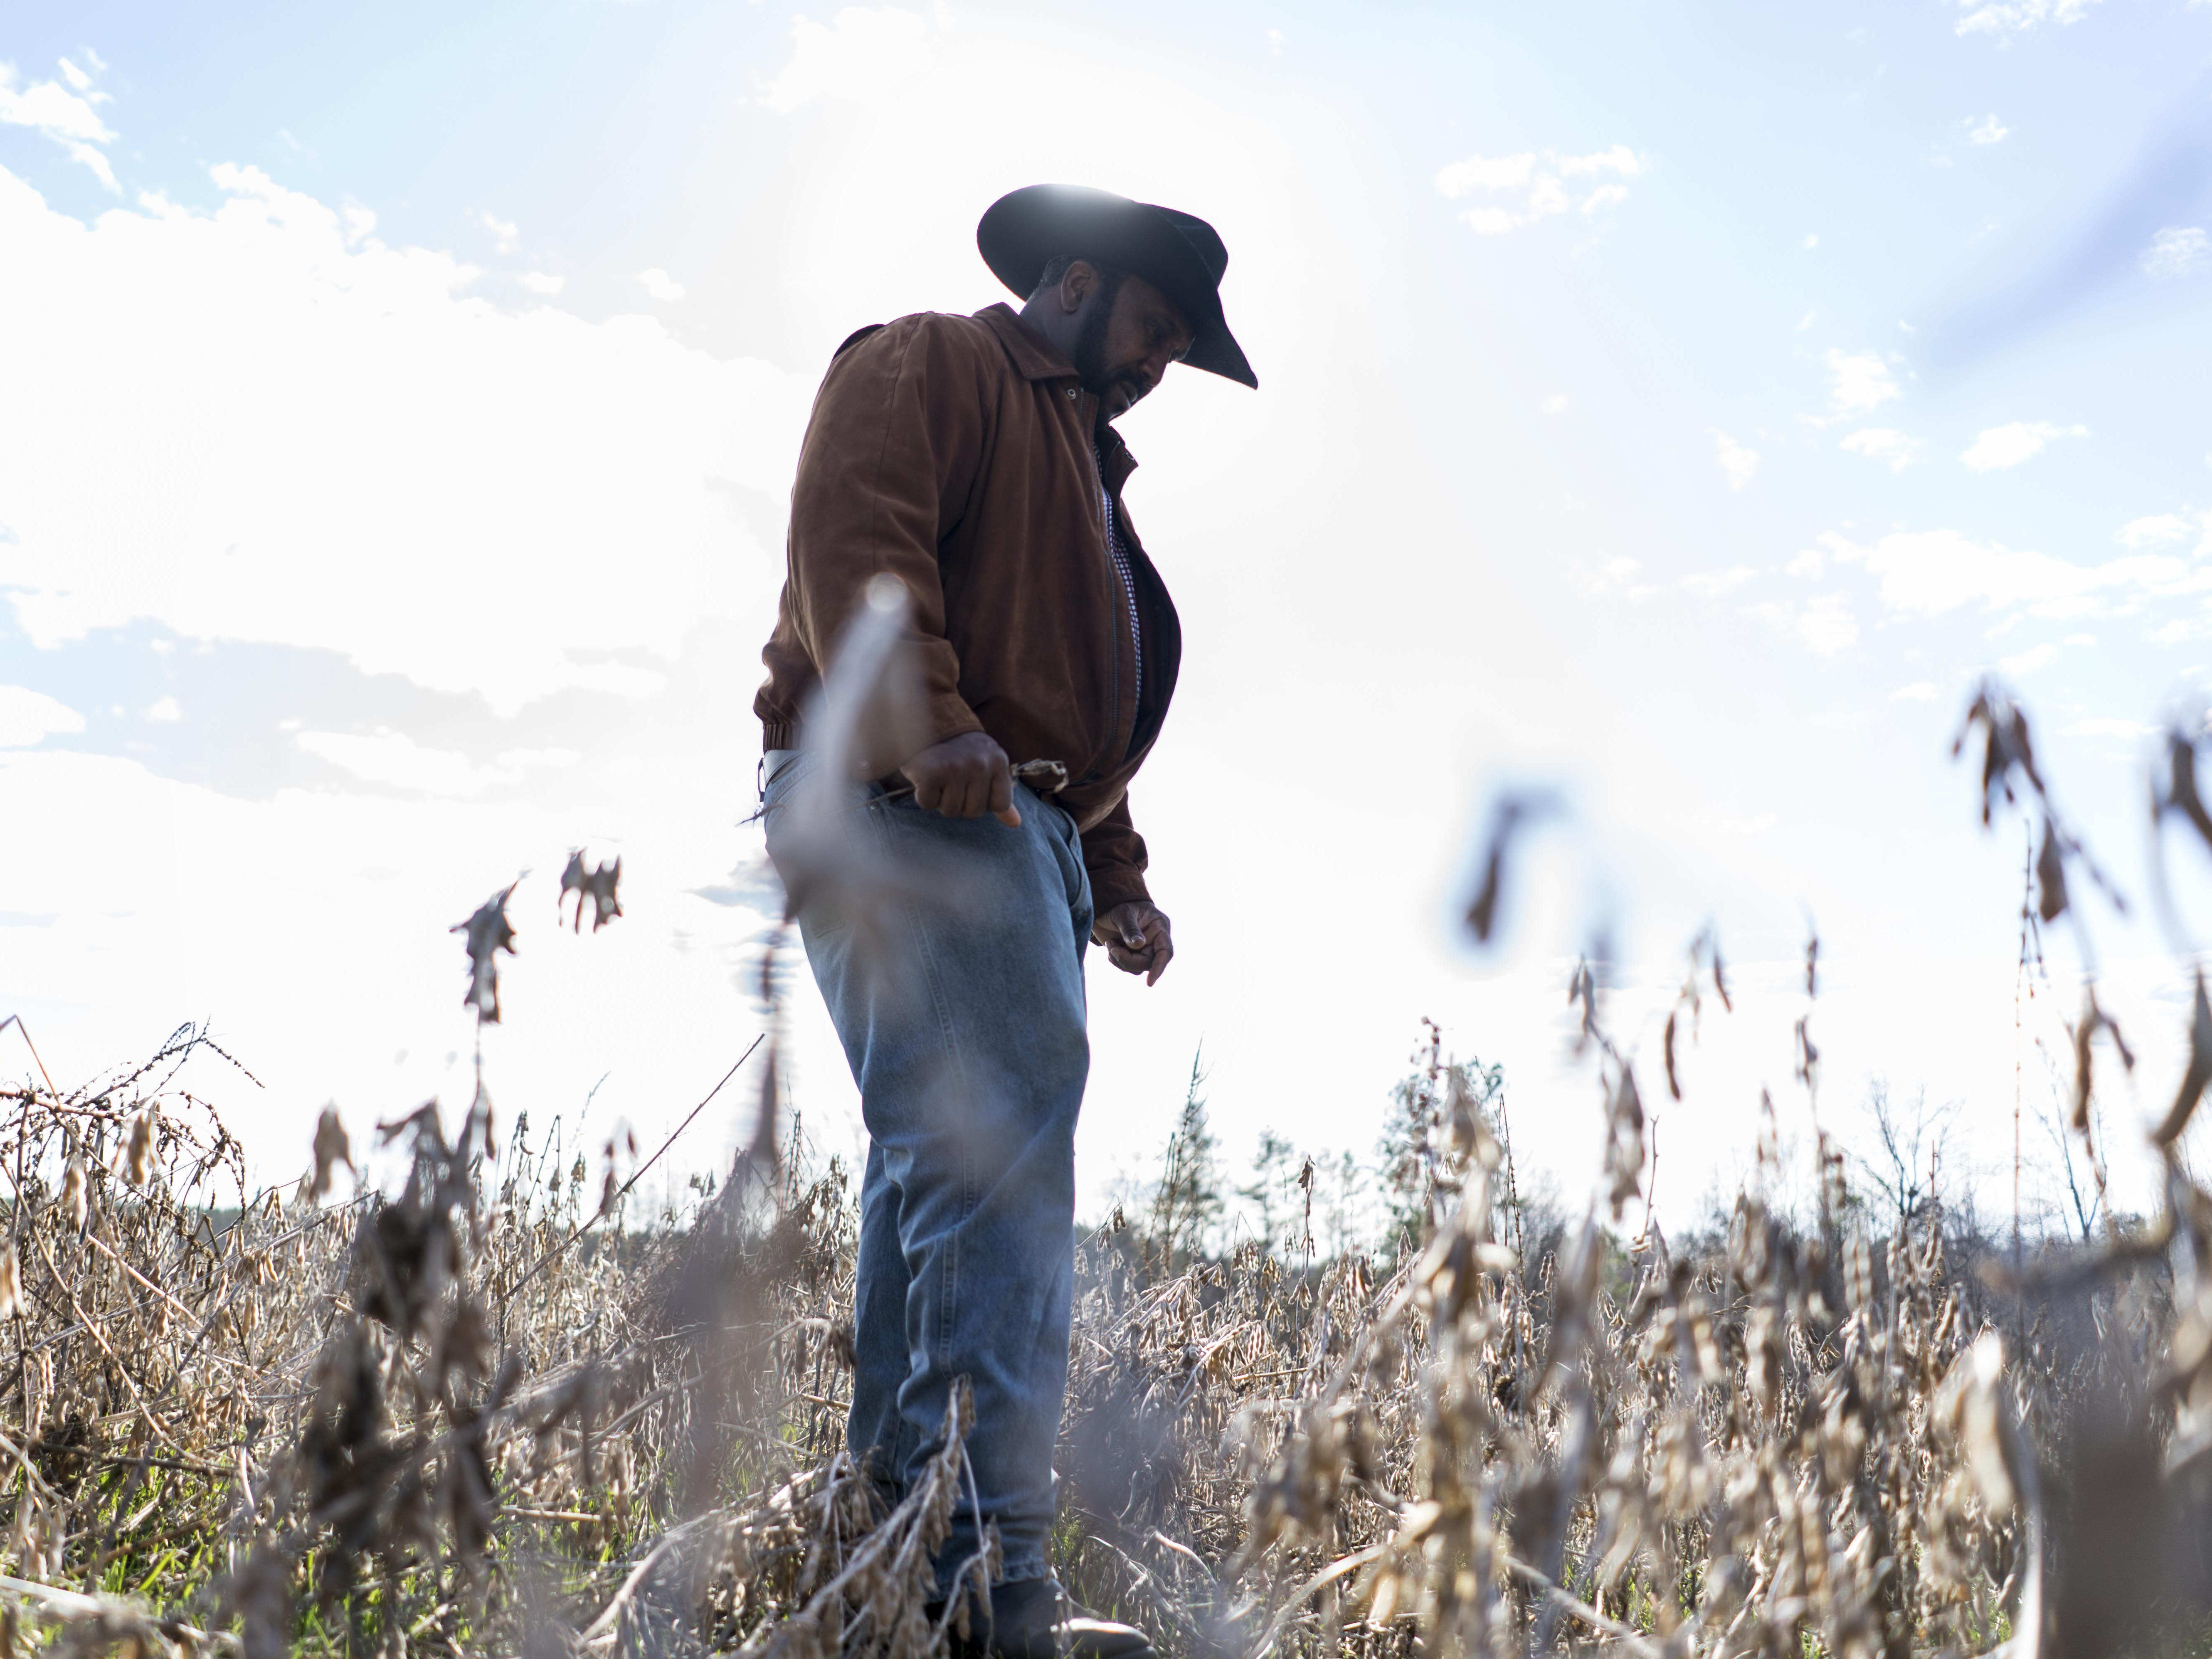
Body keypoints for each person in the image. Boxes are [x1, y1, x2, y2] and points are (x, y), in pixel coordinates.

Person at [754, 183, 1255, 1658]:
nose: (1159, 358)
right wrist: (928, 728)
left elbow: (1067, 710)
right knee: (995, 1183)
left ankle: (897, 1555)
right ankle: (985, 1582)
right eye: (1155, 326)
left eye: (1175, 342)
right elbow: (854, 545)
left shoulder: (1083, 472)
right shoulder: (935, 362)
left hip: (998, 816)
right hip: (917, 797)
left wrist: (1114, 876)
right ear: (1078, 282)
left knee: (938, 1181)